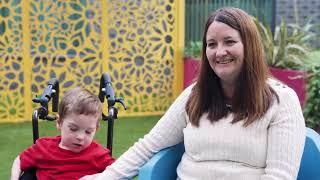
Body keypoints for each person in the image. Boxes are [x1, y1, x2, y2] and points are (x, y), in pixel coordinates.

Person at [82, 7, 305, 180]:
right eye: (211, 44)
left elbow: (279, 176)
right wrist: (105, 177)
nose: (219, 52)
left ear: (250, 45)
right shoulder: (194, 95)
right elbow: (149, 145)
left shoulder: (281, 101)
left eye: (229, 42)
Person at [10, 87, 115, 180]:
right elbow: (19, 161)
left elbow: (116, 172)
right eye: (73, 129)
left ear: (96, 129)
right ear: (59, 123)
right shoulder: (44, 147)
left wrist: (96, 177)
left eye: (88, 131)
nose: (80, 137)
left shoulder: (98, 155)